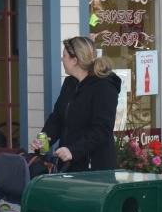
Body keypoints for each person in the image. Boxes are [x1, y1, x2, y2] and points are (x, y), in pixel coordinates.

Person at [38, 36, 122, 171]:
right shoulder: (69, 83)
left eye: (64, 56)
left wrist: (74, 150)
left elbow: (102, 129)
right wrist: (42, 143)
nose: (62, 59)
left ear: (75, 60)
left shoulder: (104, 86)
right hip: (68, 163)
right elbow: (57, 119)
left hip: (95, 167)